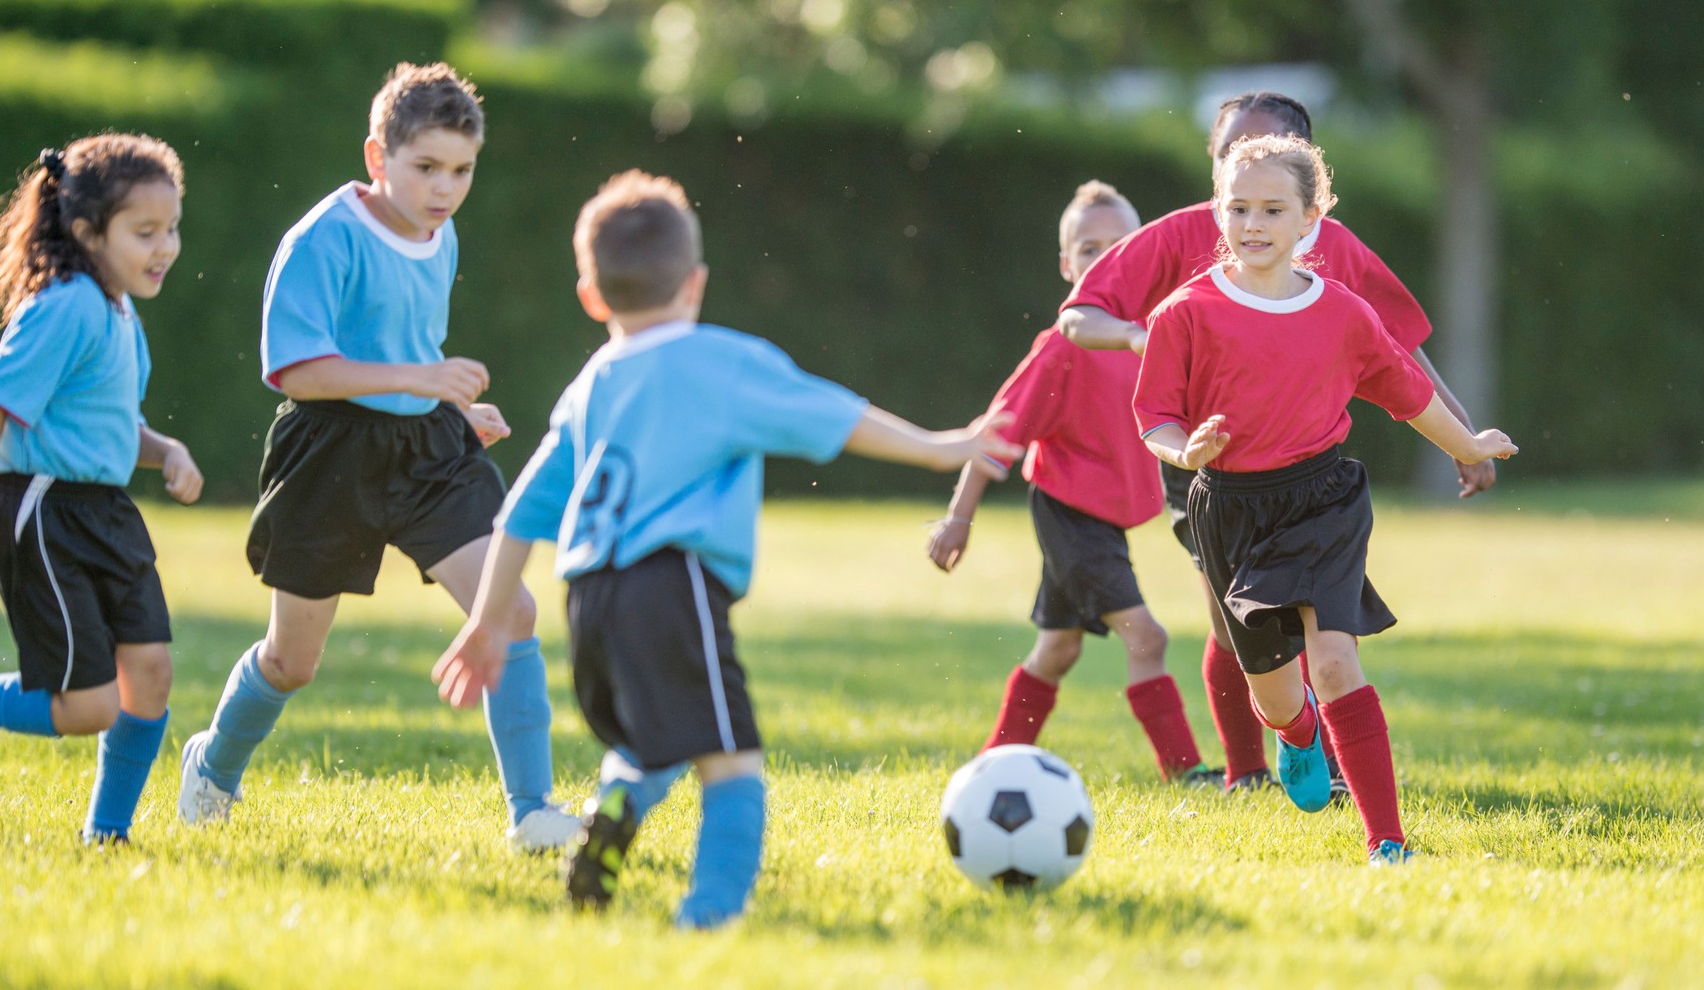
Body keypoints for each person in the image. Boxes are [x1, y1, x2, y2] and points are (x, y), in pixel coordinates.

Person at [432, 170, 1021, 928]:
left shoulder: (591, 386)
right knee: (733, 764)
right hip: (670, 585)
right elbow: (835, 416)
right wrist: (944, 447)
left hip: (589, 600)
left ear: (592, 296)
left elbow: (519, 515)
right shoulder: (717, 361)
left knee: (660, 733)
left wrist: (486, 623)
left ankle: (616, 803)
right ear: (696, 283)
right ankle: (708, 919)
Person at [175, 63, 580, 849]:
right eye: (425, 167)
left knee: (512, 610)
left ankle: (531, 813)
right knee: (293, 662)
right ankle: (213, 766)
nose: (444, 189)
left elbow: (406, 348)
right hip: (328, 455)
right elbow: (298, 372)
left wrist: (451, 403)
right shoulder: (321, 240)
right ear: (376, 158)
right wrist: (421, 379)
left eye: (462, 170)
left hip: (427, 450)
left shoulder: (442, 231)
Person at [1057, 91, 1494, 795]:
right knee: (1235, 625)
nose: (1247, 172)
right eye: (1232, 150)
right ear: (1216, 162)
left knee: (1324, 639)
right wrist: (1142, 337)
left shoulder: (1336, 247)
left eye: (1266, 150)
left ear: (1306, 175)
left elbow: (1398, 350)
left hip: (1307, 471)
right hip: (1205, 466)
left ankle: (1332, 765)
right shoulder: (1176, 237)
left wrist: (1461, 433)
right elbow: (1081, 313)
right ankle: (1248, 767)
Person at [1132, 134, 1516, 863]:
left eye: (1273, 209)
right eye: (1237, 206)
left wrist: (1467, 445)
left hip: (1323, 500)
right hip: (1230, 511)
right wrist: (1184, 452)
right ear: (1216, 210)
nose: (1253, 223)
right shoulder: (1185, 313)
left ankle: (1387, 842)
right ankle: (1299, 731)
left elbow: (1408, 393)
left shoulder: (1341, 311)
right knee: (1276, 697)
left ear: (1312, 217)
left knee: (1337, 661)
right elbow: (1153, 416)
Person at [0, 134, 201, 845]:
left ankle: (108, 836)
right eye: (144, 232)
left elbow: (109, 425)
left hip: (105, 511)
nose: (164, 246)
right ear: (87, 232)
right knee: (88, 707)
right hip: (45, 510)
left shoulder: (118, 312)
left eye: (171, 228)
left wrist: (165, 449)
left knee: (151, 674)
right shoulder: (67, 306)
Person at [926, 182, 1220, 786]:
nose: (1107, 260)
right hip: (1068, 512)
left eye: (1122, 247)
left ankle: (992, 766)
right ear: (1067, 266)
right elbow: (998, 432)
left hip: (1105, 517)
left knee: (1058, 651)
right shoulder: (1063, 346)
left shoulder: (1155, 333)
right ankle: (1185, 773)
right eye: (1089, 250)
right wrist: (959, 517)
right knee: (1149, 637)